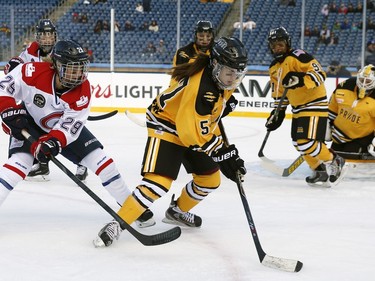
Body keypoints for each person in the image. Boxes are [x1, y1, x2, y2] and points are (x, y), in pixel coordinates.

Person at [93, 37, 248, 247]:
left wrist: (226, 153)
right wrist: (222, 153)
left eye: (237, 74)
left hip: (188, 126)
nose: (232, 79)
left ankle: (177, 211)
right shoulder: (202, 88)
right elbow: (189, 133)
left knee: (209, 179)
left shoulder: (217, 78)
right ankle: (117, 224)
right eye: (229, 73)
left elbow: (205, 122)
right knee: (158, 183)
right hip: (166, 125)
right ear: (215, 64)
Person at [0, 39, 154, 228]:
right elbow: (5, 87)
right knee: (16, 168)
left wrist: (53, 142)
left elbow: (69, 126)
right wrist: (8, 109)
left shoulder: (83, 90)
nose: (78, 74)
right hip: (29, 123)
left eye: (80, 68)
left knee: (105, 164)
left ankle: (132, 208)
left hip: (62, 130)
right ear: (56, 65)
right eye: (71, 68)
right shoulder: (32, 71)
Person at [3, 19, 89, 182]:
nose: (46, 39)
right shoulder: (30, 51)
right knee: (19, 123)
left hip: (58, 101)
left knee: (63, 133)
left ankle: (81, 162)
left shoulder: (62, 51)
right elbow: (18, 66)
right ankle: (40, 163)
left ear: (55, 36)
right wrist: (12, 66)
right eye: (43, 35)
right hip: (36, 100)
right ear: (37, 37)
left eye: (49, 35)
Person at [265, 26, 346, 187]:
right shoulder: (274, 67)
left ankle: (334, 160)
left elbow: (319, 74)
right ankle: (319, 170)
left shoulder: (298, 56)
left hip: (314, 103)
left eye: (280, 44)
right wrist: (277, 113)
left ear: (287, 43)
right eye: (274, 45)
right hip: (298, 107)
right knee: (298, 142)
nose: (277, 48)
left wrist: (300, 79)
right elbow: (279, 93)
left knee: (306, 142)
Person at [328, 64, 375, 157]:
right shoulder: (345, 85)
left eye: (368, 81)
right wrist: (325, 126)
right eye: (362, 80)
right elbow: (332, 108)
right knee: (332, 159)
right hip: (338, 134)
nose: (364, 84)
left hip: (361, 138)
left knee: (349, 163)